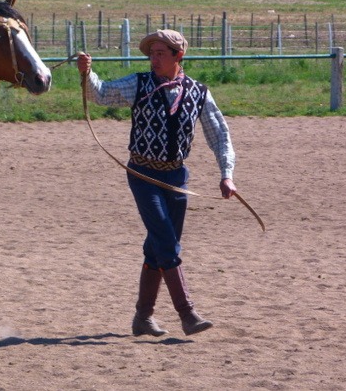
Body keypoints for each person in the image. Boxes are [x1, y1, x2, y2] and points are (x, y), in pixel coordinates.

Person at [77, 29, 237, 337]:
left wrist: (226, 174)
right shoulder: (139, 83)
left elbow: (219, 134)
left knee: (158, 248)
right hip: (142, 175)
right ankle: (187, 313)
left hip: (177, 177)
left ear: (179, 56)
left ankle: (142, 318)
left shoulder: (198, 91)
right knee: (165, 240)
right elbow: (100, 94)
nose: (154, 59)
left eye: (161, 53)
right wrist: (87, 73)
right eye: (151, 54)